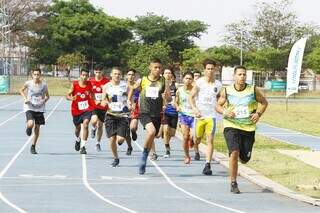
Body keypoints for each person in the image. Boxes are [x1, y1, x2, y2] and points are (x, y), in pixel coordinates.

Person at [216, 65, 268, 194]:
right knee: (234, 153)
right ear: (234, 76)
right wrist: (225, 111)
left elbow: (264, 102)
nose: (242, 77)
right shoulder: (226, 90)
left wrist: (258, 114)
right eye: (239, 74)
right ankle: (233, 183)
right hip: (231, 125)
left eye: (244, 74)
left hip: (248, 127)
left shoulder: (253, 90)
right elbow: (217, 105)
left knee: (244, 158)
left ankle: (242, 156)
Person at [128, 58, 170, 175]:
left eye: (159, 68)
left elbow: (169, 97)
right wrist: (129, 100)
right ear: (150, 68)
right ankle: (144, 157)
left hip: (157, 113)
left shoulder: (163, 81)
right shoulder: (143, 80)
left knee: (154, 135)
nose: (158, 70)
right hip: (144, 112)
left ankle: (146, 154)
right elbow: (132, 89)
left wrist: (166, 96)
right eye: (155, 67)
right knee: (151, 132)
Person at [189, 59, 222, 175]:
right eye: (208, 69)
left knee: (210, 140)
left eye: (212, 69)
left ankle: (208, 165)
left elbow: (220, 99)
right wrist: (194, 108)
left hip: (211, 116)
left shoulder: (218, 84)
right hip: (200, 116)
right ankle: (194, 142)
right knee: (197, 139)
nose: (210, 71)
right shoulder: (199, 82)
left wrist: (223, 108)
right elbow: (191, 97)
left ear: (215, 70)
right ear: (204, 70)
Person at [101, 67, 130, 167]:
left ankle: (122, 136)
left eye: (119, 74)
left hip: (122, 115)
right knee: (112, 139)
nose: (117, 76)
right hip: (111, 114)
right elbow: (103, 99)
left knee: (120, 140)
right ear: (111, 75)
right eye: (115, 74)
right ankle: (115, 158)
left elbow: (130, 98)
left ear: (121, 75)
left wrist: (131, 103)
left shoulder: (125, 86)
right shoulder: (106, 87)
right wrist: (104, 102)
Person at [20, 68, 49, 154]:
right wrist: (25, 98)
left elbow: (47, 96)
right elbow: (21, 90)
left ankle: (33, 146)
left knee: (37, 128)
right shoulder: (28, 83)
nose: (36, 76)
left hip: (39, 108)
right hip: (29, 106)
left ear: (40, 75)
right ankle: (28, 128)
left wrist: (43, 100)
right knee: (31, 123)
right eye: (35, 74)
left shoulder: (44, 85)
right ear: (32, 75)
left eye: (38, 74)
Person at [66, 68, 94, 155]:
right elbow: (67, 95)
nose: (85, 77)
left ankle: (83, 146)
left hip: (87, 109)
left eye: (86, 75)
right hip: (76, 110)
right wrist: (71, 98)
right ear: (80, 75)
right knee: (77, 128)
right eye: (83, 75)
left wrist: (93, 98)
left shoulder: (89, 84)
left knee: (85, 124)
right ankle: (78, 139)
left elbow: (92, 94)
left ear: (88, 76)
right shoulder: (74, 84)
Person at [175, 71, 194, 164]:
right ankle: (186, 156)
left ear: (193, 80)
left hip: (194, 116)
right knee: (185, 137)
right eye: (186, 78)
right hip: (183, 115)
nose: (188, 80)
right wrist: (177, 106)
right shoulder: (179, 90)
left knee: (194, 136)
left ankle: (192, 139)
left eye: (190, 78)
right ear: (183, 79)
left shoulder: (195, 90)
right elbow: (176, 101)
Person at [89, 65, 110, 152]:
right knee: (94, 121)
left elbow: (109, 93)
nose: (98, 74)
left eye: (99, 72)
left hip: (103, 107)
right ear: (94, 72)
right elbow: (88, 92)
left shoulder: (107, 81)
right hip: (94, 106)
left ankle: (98, 143)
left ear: (102, 72)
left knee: (100, 125)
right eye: (96, 72)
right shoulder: (91, 81)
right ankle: (93, 128)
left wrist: (105, 100)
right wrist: (94, 100)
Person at [162, 67, 179, 158]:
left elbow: (179, 97)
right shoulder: (160, 85)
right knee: (166, 130)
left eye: (169, 73)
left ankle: (167, 141)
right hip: (165, 111)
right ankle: (167, 148)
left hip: (174, 111)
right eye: (166, 73)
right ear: (163, 75)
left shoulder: (175, 85)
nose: (167, 74)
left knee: (172, 133)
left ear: (172, 75)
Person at [124, 69, 139, 155]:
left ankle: (133, 132)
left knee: (132, 127)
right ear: (126, 76)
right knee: (126, 133)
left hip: (135, 109)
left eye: (132, 75)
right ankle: (129, 146)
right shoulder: (122, 86)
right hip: (124, 110)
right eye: (129, 74)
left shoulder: (138, 86)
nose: (131, 76)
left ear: (135, 76)